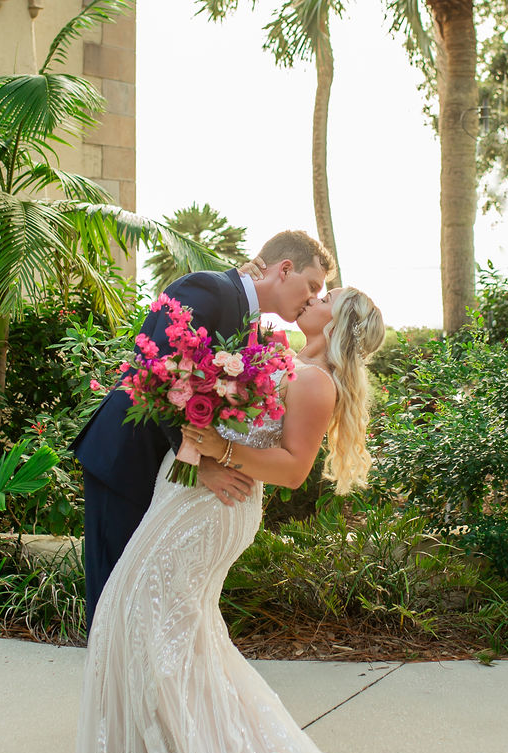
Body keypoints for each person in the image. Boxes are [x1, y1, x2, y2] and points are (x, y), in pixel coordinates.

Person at [70, 283, 508, 753]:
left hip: (218, 512)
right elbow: (201, 441)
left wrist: (218, 453)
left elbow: (290, 471)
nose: (313, 296)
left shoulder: (316, 382)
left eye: (326, 294)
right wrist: (194, 459)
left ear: (337, 318)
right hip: (187, 499)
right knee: (147, 616)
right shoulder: (275, 356)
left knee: (151, 614)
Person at [72, 230, 332, 629]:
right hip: (126, 457)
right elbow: (156, 375)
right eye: (312, 285)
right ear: (284, 269)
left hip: (164, 479)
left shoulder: (248, 320)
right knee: (115, 597)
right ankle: (111, 690)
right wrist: (198, 464)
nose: (312, 298)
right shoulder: (207, 288)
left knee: (144, 600)